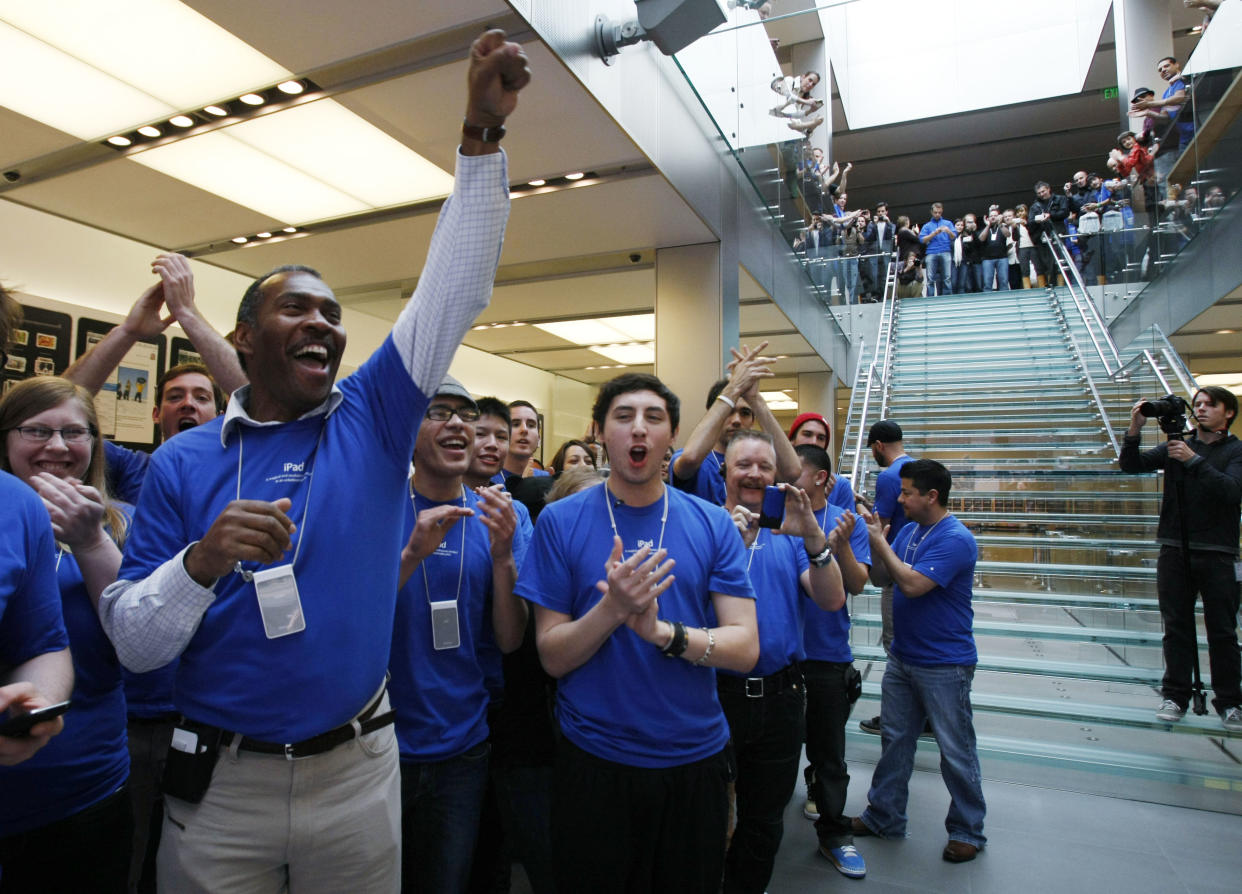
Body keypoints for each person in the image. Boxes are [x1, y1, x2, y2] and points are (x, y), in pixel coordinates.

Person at [96, 30, 530, 893]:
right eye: (297, 308)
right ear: (246, 338)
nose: (325, 323)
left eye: (332, 313)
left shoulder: (370, 418)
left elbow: (454, 288)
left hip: (358, 772)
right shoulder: (183, 462)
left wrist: (481, 135)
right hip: (221, 785)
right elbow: (136, 646)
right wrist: (203, 561)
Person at [517, 372, 759, 894]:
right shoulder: (559, 521)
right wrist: (613, 609)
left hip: (695, 758)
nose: (639, 430)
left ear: (673, 435)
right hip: (595, 761)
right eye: (623, 417)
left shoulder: (712, 524)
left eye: (654, 418)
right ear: (600, 432)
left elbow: (745, 647)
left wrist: (662, 633)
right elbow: (552, 657)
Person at [391, 378, 526, 893]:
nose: (457, 424)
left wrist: (502, 556)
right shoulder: (380, 510)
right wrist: (411, 556)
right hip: (381, 743)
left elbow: (510, 641)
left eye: (466, 415)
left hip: (463, 745)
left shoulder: (496, 517)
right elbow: (353, 624)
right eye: (439, 412)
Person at [0, 377, 133, 892]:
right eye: (37, 430)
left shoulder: (126, 525)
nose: (56, 446)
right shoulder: (12, 509)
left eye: (73, 433)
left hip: (85, 783)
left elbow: (140, 642)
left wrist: (90, 540)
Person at [718, 431, 844, 893]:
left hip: (781, 699)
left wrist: (812, 533)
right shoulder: (705, 527)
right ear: (725, 472)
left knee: (764, 820)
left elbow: (831, 599)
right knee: (706, 815)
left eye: (764, 467)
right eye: (743, 465)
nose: (753, 474)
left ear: (776, 476)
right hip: (715, 697)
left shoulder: (789, 533)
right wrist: (726, 545)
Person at [854, 459, 986, 864]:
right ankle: (884, 815)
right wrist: (874, 543)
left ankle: (968, 830)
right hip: (904, 658)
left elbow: (911, 584)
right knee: (895, 740)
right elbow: (881, 579)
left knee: (956, 748)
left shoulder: (956, 539)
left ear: (931, 496)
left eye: (907, 491)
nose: (900, 497)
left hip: (945, 664)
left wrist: (879, 543)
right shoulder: (909, 530)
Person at [62, 254, 243, 506]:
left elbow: (260, 400)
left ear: (220, 414)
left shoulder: (239, 471)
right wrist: (127, 332)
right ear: (156, 413)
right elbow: (57, 405)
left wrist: (187, 314)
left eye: (201, 397)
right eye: (175, 396)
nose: (187, 404)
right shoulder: (133, 468)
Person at [1118, 387, 1242, 732]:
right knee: (1176, 629)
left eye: (1209, 405)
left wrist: (1192, 460)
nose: (1201, 409)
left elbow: (1232, 491)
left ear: (1227, 412)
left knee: (1222, 631)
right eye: (1197, 404)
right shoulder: (1178, 445)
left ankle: (1230, 701)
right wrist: (1134, 428)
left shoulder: (1236, 451)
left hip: (1219, 553)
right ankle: (1175, 696)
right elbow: (1131, 465)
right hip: (1174, 548)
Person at [0, 285, 71, 775]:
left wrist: (37, 701)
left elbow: (44, 644)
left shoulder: (15, 505)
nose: (58, 446)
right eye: (36, 432)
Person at [791, 445, 870, 879]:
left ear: (820, 477)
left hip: (826, 659)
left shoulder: (844, 519)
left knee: (829, 759)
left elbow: (857, 584)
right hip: (780, 658)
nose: (786, 478)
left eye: (795, 470)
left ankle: (835, 836)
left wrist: (838, 549)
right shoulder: (774, 519)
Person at [671, 342, 800, 506]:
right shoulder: (694, 460)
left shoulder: (760, 465)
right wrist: (733, 388)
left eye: (745, 413)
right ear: (714, 415)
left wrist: (756, 401)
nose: (737, 420)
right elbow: (689, 459)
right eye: (729, 411)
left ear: (753, 421)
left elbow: (793, 471)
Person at [858, 420, 914, 735]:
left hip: (894, 570)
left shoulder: (889, 476)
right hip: (918, 569)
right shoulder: (916, 468)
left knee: (894, 646)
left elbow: (881, 528)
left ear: (879, 446)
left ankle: (896, 717)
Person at [787, 411, 854, 511]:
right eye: (807, 434)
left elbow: (845, 524)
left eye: (821, 438)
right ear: (792, 440)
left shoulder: (840, 485)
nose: (814, 442)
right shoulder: (776, 477)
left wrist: (821, 502)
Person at [1027, 181, 1071, 287]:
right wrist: (1038, 221)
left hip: (1058, 234)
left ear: (1048, 189)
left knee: (1060, 262)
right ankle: (1050, 286)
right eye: (1039, 193)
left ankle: (1061, 286)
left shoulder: (1060, 199)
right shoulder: (1035, 206)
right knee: (1047, 264)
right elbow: (1030, 222)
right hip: (1043, 238)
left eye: (1043, 191)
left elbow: (1064, 213)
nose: (1042, 194)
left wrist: (1050, 215)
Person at [504, 400, 548, 479]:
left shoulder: (547, 480)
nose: (524, 430)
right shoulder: (485, 478)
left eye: (531, 425)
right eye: (515, 424)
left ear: (538, 438)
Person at [918, 204, 954, 296]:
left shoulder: (948, 223)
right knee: (930, 278)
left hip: (945, 250)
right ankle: (930, 298)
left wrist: (948, 231)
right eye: (935, 212)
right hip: (931, 252)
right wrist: (934, 233)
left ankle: (947, 298)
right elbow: (922, 239)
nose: (937, 214)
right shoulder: (927, 226)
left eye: (939, 212)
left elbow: (954, 237)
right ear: (931, 212)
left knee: (947, 277)